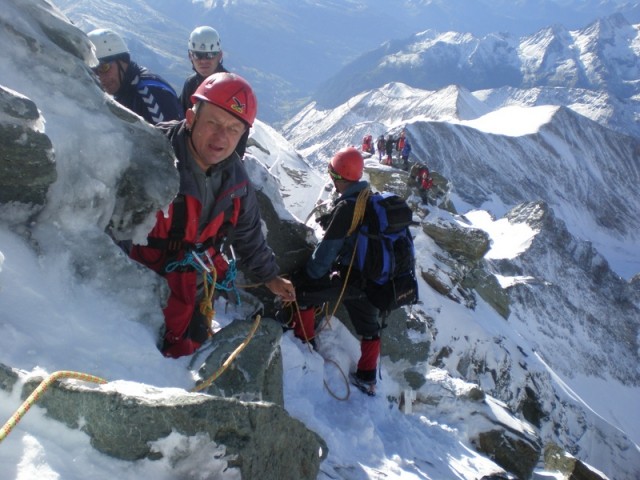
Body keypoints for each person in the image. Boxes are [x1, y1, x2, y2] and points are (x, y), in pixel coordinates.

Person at [129, 72, 295, 358]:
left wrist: (271, 278)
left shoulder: (236, 181)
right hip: (139, 286)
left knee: (190, 351)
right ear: (192, 118)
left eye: (233, 129)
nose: (222, 137)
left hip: (194, 285)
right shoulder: (153, 154)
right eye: (214, 123)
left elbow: (249, 235)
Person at [290, 147, 384, 396]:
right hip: (375, 281)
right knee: (370, 328)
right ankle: (367, 377)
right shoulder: (370, 199)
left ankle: (304, 347)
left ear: (338, 176)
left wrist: (307, 276)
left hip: (353, 279)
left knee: (303, 293)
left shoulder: (348, 208)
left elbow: (326, 254)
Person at [179, 26, 248, 159]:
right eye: (198, 55)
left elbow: (240, 133)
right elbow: (181, 120)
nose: (203, 61)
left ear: (219, 56)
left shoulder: (233, 88)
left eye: (210, 55)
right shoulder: (190, 84)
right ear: (190, 56)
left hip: (221, 158)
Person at [87, 28, 183, 124]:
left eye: (104, 67)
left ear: (123, 61)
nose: (100, 77)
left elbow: (168, 138)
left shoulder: (151, 94)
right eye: (92, 71)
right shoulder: (125, 90)